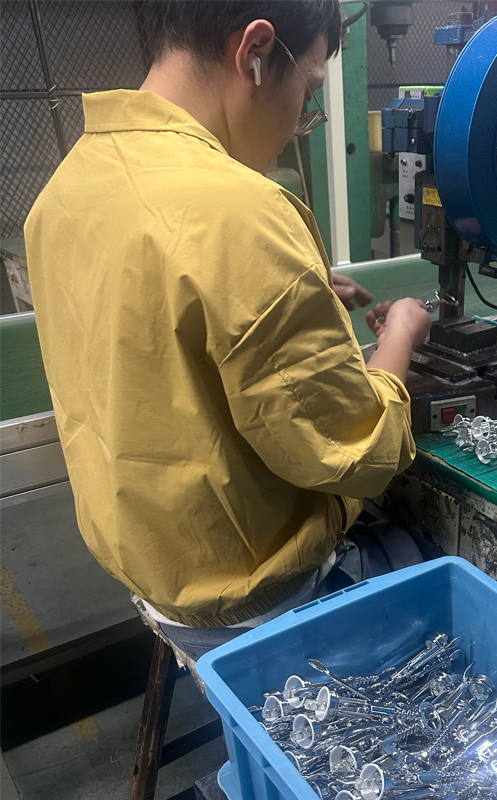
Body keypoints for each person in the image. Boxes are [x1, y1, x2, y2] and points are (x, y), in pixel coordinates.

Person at [24, 0, 432, 665]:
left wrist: (287, 292)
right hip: (259, 607)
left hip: (155, 578)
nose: (298, 123)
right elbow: (359, 453)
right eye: (309, 91)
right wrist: (402, 335)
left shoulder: (65, 190)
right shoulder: (241, 215)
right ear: (256, 53)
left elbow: (156, 315)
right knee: (424, 564)